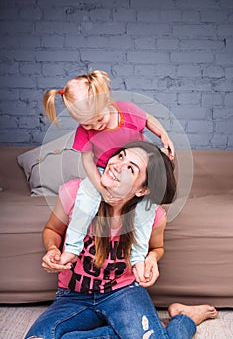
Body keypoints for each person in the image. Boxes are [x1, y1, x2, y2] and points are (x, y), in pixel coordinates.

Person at [25, 142, 217, 339]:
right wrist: (52, 249)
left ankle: (184, 319)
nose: (117, 165)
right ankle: (154, 328)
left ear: (142, 190)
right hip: (74, 296)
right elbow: (52, 230)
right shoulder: (74, 193)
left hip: (123, 293)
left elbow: (157, 248)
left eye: (131, 169)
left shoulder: (152, 215)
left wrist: (151, 259)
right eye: (120, 156)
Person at [43, 70, 175, 281]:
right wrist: (100, 187)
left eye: (98, 119)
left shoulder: (128, 112)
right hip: (105, 170)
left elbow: (148, 119)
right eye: (87, 124)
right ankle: (73, 248)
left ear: (107, 101)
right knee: (86, 198)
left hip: (138, 168)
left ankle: (138, 259)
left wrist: (163, 135)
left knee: (145, 210)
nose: (95, 127)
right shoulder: (84, 132)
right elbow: (87, 160)